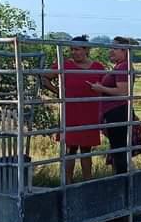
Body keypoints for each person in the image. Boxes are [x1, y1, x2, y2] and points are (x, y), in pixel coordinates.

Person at [43, 35, 104, 182]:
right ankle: (67, 182)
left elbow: (105, 87)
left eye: (77, 49)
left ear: (86, 49)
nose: (74, 52)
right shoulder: (64, 65)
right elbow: (45, 77)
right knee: (70, 148)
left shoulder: (98, 67)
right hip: (70, 112)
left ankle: (87, 181)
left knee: (86, 149)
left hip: (90, 112)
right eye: (72, 49)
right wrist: (58, 91)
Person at [90, 37, 135, 174]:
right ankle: (123, 179)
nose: (111, 51)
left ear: (125, 51)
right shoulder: (120, 66)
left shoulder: (123, 67)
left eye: (115, 48)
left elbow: (123, 91)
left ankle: (122, 180)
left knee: (119, 149)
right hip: (115, 111)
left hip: (118, 112)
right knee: (118, 148)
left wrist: (101, 89)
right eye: (111, 48)